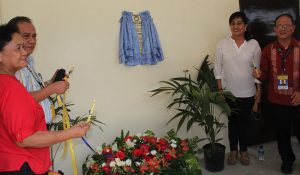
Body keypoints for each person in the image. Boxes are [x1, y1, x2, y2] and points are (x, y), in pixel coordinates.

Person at [0, 23, 91, 174]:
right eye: (18, 48)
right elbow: (25, 139)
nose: (24, 52)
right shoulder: (10, 87)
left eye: (23, 46)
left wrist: (49, 84)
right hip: (22, 165)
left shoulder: (7, 83)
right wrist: (71, 133)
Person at [253, 14, 300, 174]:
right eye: (279, 25)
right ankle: (287, 160)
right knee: (282, 133)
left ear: (293, 28)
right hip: (277, 101)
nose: (283, 28)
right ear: (274, 29)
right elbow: (264, 75)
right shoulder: (268, 50)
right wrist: (258, 74)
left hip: (298, 100)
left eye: (287, 25)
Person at [214, 11, 261, 166]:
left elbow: (257, 70)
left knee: (245, 123)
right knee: (233, 123)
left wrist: (258, 91)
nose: (236, 26)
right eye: (233, 23)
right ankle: (233, 150)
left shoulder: (253, 44)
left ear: (245, 26)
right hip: (229, 93)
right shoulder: (222, 44)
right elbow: (217, 68)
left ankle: (244, 151)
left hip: (248, 91)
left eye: (239, 23)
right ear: (230, 26)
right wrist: (220, 90)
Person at [7, 16, 69, 125]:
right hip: (26, 133)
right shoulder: (12, 65)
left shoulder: (29, 60)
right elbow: (21, 100)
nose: (32, 40)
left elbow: (30, 89)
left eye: (34, 36)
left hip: (38, 130)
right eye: (26, 36)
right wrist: (51, 89)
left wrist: (50, 83)